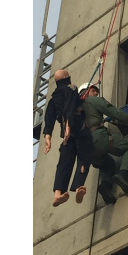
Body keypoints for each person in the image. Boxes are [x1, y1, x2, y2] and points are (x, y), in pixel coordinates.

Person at [78, 82, 128, 204]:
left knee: (107, 164)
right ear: (86, 92)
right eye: (93, 90)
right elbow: (114, 112)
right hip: (98, 137)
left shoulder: (76, 111)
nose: (96, 93)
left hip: (85, 149)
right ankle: (122, 175)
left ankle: (105, 185)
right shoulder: (92, 101)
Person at [43, 70, 95, 207]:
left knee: (64, 162)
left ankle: (57, 194)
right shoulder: (71, 89)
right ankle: (79, 187)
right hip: (77, 127)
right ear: (67, 78)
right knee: (84, 155)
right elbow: (70, 106)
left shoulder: (53, 99)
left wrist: (48, 137)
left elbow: (49, 119)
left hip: (66, 136)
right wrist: (68, 126)